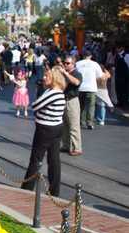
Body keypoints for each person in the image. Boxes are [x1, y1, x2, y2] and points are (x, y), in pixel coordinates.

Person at [21, 66, 67, 196]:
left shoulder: (53, 93)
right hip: (56, 127)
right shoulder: (58, 92)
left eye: (47, 76)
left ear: (54, 79)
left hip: (45, 129)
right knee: (54, 159)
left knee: (36, 159)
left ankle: (26, 189)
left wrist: (39, 103)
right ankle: (54, 191)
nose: (44, 78)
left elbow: (35, 105)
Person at [75, 49, 103, 130]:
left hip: (80, 88)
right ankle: (90, 123)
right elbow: (100, 76)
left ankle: (81, 121)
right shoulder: (95, 64)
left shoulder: (78, 64)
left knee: (81, 105)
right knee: (91, 106)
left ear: (83, 55)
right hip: (91, 88)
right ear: (91, 56)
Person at [60, 56, 83, 156]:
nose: (65, 64)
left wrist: (65, 73)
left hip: (72, 101)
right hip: (63, 100)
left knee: (74, 125)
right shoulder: (64, 73)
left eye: (67, 63)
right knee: (64, 125)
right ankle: (65, 145)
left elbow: (76, 82)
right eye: (64, 63)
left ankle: (76, 148)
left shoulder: (77, 74)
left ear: (73, 64)